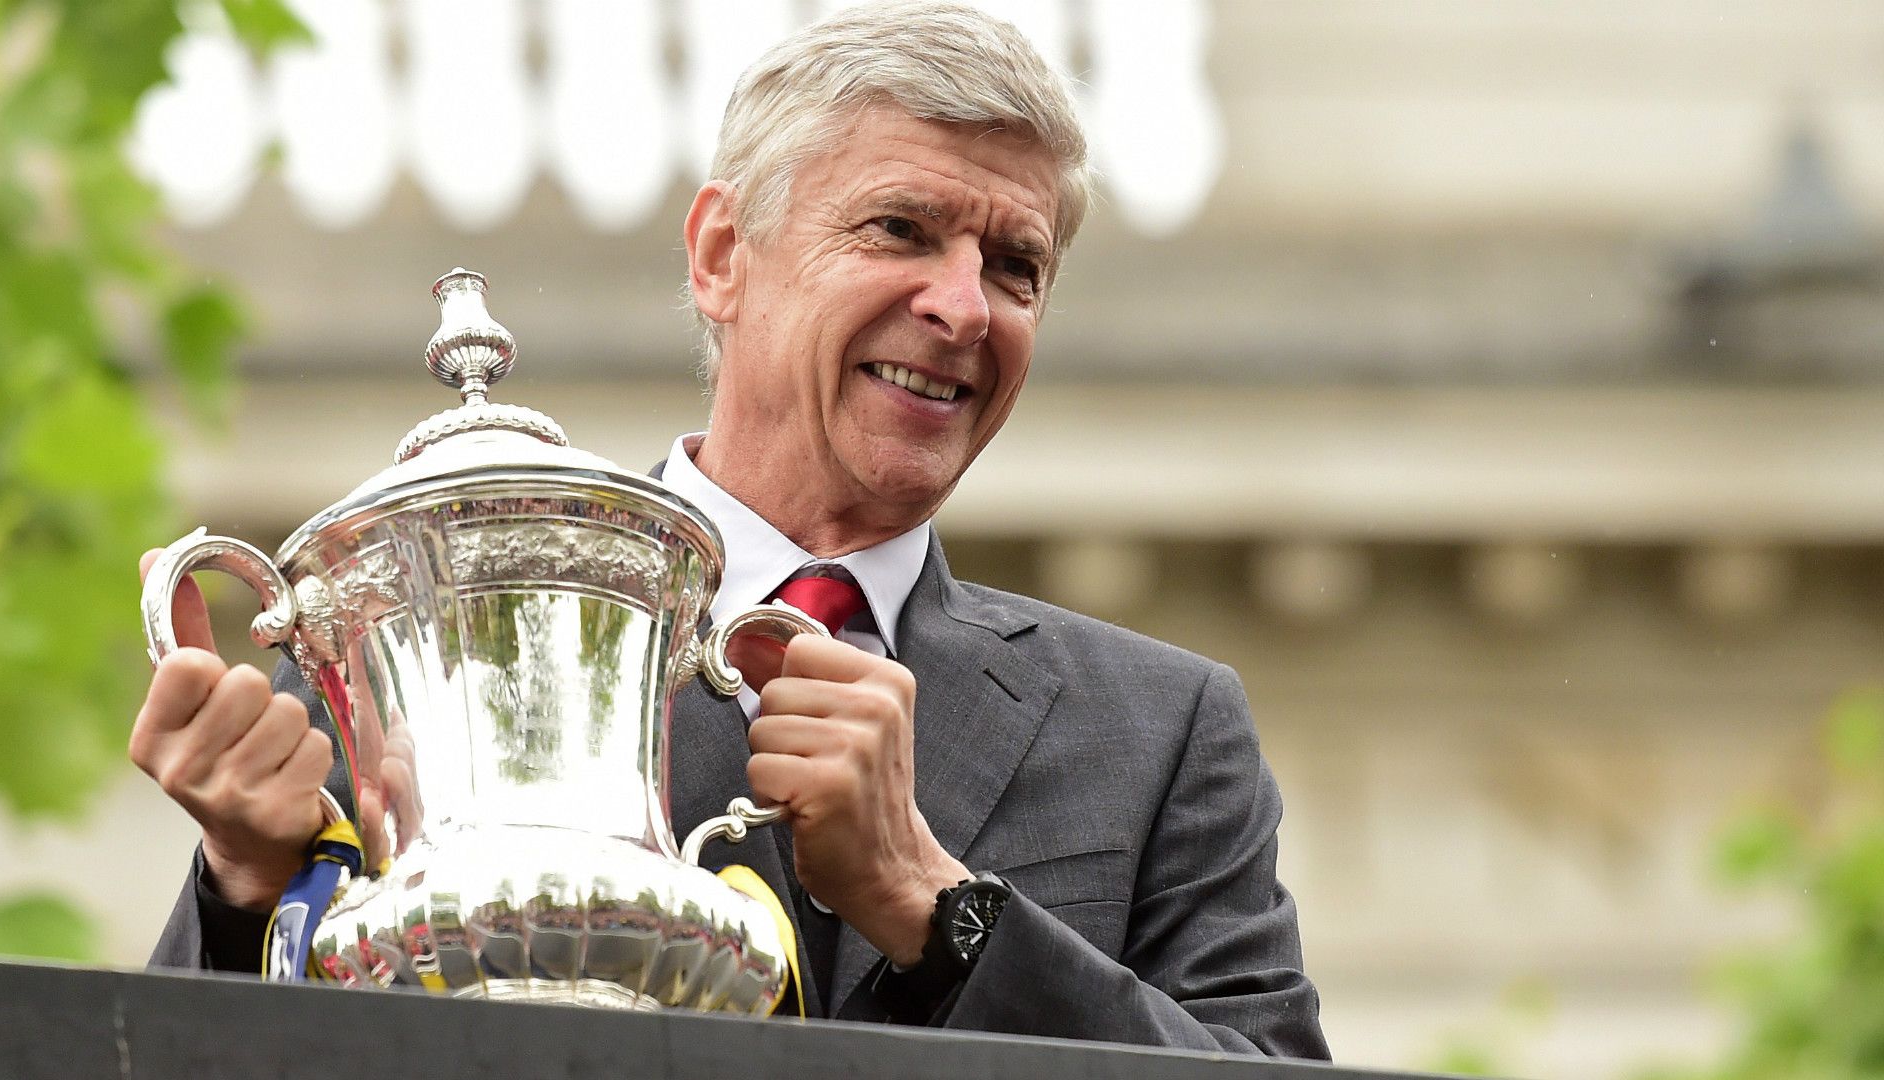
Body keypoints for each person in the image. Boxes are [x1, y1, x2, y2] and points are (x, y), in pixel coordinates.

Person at [132, 1, 1327, 1058]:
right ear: (721, 256)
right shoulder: (427, 642)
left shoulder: (1161, 731)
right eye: (900, 230)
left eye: (1016, 265)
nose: (963, 305)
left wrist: (934, 902)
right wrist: (245, 888)